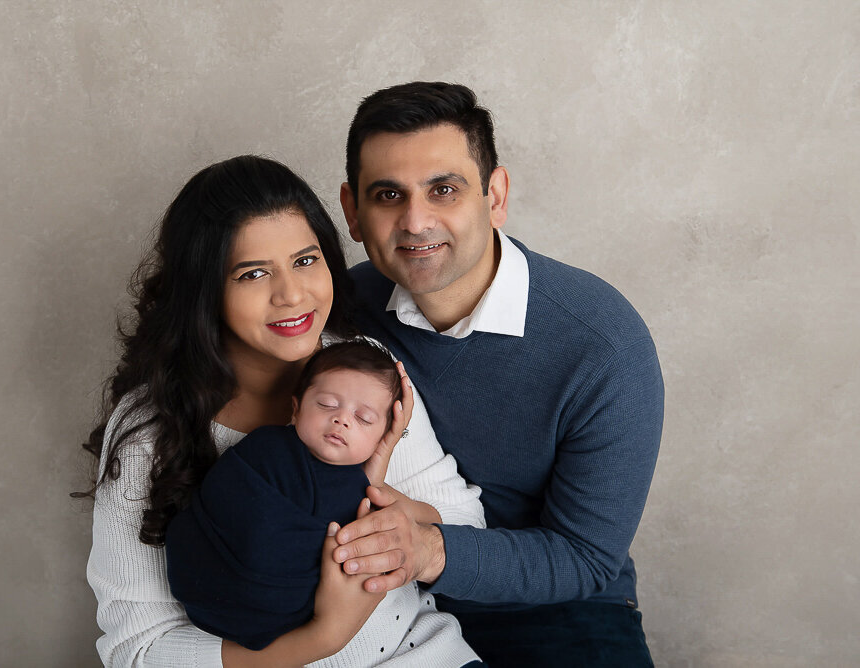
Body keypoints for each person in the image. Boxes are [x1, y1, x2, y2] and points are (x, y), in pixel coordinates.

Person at [80, 155, 485, 667]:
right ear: (205, 291)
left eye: (305, 260)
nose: (292, 295)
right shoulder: (150, 430)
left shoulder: (366, 374)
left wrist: (405, 526)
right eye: (252, 273)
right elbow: (138, 648)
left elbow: (464, 522)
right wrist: (323, 638)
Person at [333, 82, 665, 667]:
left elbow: (586, 559)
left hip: (554, 610)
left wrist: (433, 551)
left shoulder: (601, 344)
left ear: (496, 195)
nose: (415, 220)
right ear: (352, 212)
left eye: (444, 189)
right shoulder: (337, 311)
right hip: (385, 603)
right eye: (388, 194)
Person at [166, 340, 478, 664]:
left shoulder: (361, 490)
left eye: (364, 419)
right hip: (243, 607)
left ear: (386, 435)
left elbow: (446, 524)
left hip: (426, 649)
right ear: (296, 408)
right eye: (327, 405)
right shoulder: (263, 449)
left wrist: (378, 469)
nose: (342, 420)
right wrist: (327, 634)